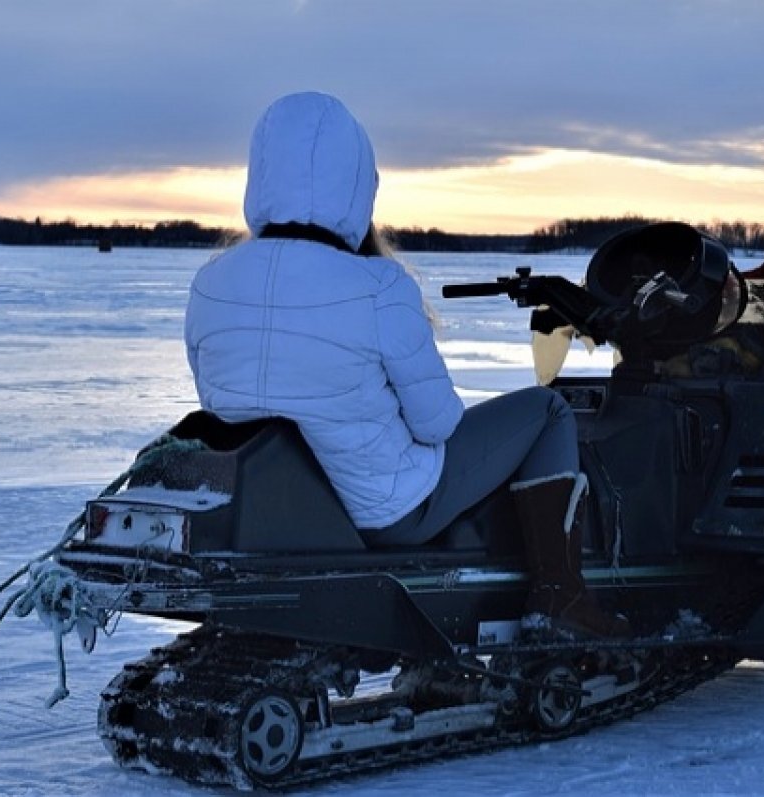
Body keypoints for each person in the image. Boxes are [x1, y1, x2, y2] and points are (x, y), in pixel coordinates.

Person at [184, 91, 627, 638]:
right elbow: (438, 423)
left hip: (277, 507)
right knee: (548, 410)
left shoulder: (211, 281)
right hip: (386, 512)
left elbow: (214, 399)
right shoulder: (378, 286)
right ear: (355, 185)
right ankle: (561, 596)